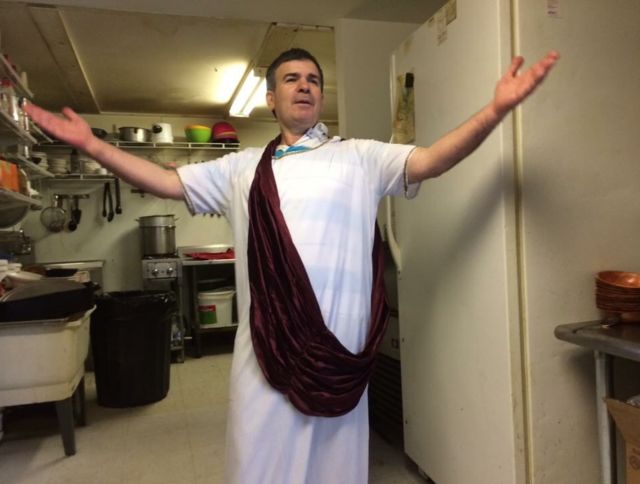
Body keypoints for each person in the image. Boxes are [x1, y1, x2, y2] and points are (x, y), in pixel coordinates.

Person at [24, 47, 559, 484]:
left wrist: (495, 111)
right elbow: (164, 182)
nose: (304, 86)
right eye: (291, 78)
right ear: (271, 98)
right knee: (259, 458)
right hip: (267, 351)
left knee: (335, 464)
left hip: (338, 350)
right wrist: (92, 145)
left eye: (313, 80)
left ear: (321, 95)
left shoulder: (360, 156)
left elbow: (432, 160)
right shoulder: (240, 169)